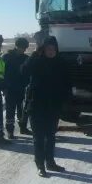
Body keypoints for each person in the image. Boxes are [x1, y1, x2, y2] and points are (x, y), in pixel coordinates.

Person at [21, 36, 66, 176]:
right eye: (48, 49)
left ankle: (50, 162)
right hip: (36, 106)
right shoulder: (36, 61)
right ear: (43, 49)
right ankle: (40, 165)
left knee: (51, 136)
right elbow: (23, 71)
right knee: (39, 137)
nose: (51, 51)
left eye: (54, 49)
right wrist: (34, 54)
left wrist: (64, 101)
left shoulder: (60, 63)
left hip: (53, 106)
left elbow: (67, 83)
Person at [2, 37, 31, 138]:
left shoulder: (25, 58)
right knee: (10, 111)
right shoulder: (6, 57)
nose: (24, 50)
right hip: (10, 89)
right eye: (22, 47)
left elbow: (28, 74)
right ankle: (10, 131)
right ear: (17, 46)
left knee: (22, 110)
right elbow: (2, 74)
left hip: (21, 88)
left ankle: (23, 128)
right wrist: (4, 88)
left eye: (25, 48)